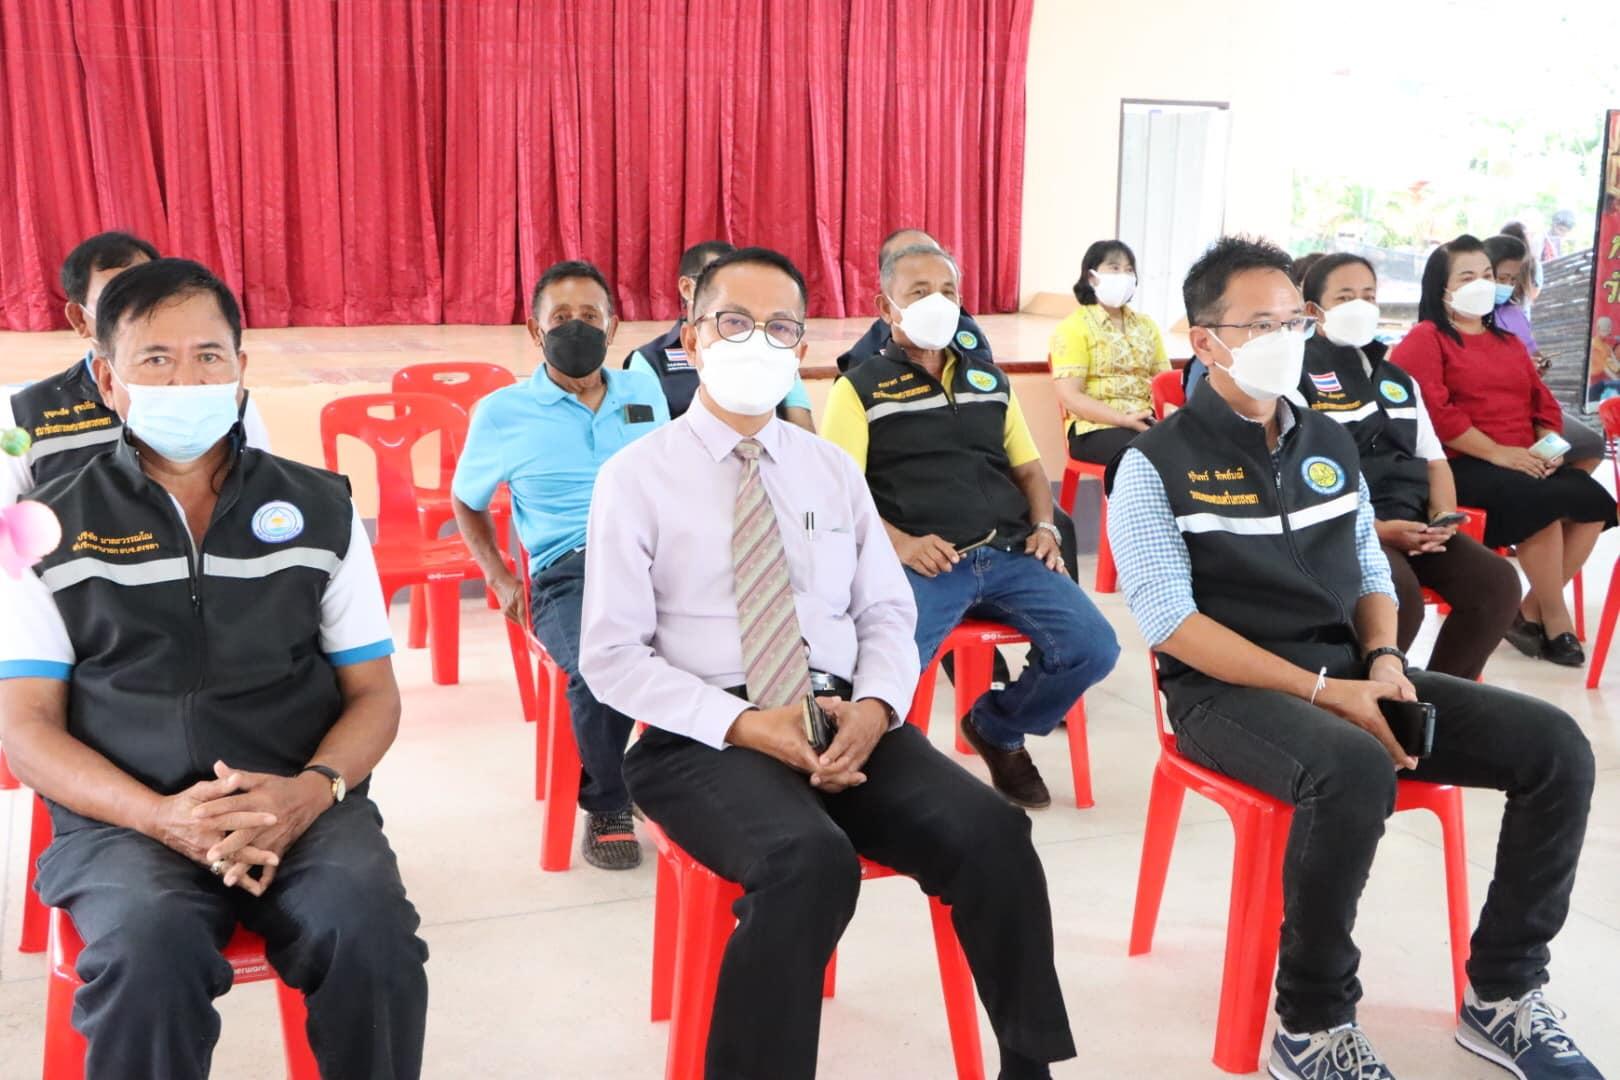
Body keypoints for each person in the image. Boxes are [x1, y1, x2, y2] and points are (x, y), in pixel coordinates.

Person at [1108, 236, 1601, 1080]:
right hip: (1222, 694)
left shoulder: (1327, 443)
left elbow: (1370, 569)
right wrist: (1321, 691)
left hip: (1346, 669)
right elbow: (1171, 624)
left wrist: (1381, 659)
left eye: (1291, 322)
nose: (1283, 339)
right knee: (1352, 768)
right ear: (1206, 342)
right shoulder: (1153, 465)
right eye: (1258, 325)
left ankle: (1505, 994)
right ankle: (1312, 1024)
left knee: (1556, 748)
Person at [579, 246, 1075, 1080]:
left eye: (779, 327)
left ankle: (1029, 1069)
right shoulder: (636, 478)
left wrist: (877, 709)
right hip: (702, 734)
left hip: (842, 716)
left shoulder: (830, 470)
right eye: (733, 323)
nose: (757, 341)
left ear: (801, 347)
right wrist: (746, 724)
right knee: (807, 862)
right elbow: (611, 657)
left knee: (994, 834)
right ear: (692, 340)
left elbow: (885, 611)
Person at [0, 259, 428, 1079]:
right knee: (146, 953)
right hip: (126, 820)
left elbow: (373, 693)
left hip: (301, 802)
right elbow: (25, 729)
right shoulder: (44, 526)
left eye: (208, 357)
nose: (186, 380)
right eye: (156, 360)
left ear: (240, 370)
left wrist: (312, 791)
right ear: (108, 380)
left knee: (371, 934)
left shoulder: (322, 508)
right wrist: (160, 817)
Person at [822, 243, 1120, 809]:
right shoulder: (859, 388)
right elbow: (840, 493)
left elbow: (1029, 470)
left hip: (1009, 554)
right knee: (887, 672)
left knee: (1093, 647)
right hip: (926, 563)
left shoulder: (989, 380)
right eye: (918, 293)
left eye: (947, 292)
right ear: (885, 307)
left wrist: (1045, 527)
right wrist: (900, 544)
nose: (937, 303)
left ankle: (998, 728)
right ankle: (878, 781)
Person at [453, 259, 668, 870]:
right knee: (601, 665)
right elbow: (467, 501)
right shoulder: (502, 412)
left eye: (590, 316)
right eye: (562, 317)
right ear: (535, 329)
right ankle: (608, 802)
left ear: (613, 325)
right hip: (567, 571)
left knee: (726, 641)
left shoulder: (643, 390)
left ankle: (679, 781)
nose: (577, 328)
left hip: (654, 560)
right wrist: (500, 577)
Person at [1392, 234, 1615, 667]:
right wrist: (1499, 453)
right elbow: (1436, 413)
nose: (1482, 283)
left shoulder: (1508, 341)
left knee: (1593, 501)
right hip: (1462, 464)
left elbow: (1542, 404)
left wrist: (1547, 448)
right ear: (1442, 287)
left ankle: (1529, 610)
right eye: (1467, 276)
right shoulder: (1427, 338)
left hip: (1520, 459)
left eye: (1487, 274)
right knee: (1538, 504)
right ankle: (1557, 620)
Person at [1298, 254, 1519, 680]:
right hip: (1344, 529)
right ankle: (1366, 698)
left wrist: (1442, 520)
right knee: (1399, 596)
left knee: (1497, 584)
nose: (1360, 306)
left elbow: (1434, 460)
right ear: (1313, 310)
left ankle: (1443, 695)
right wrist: (1380, 530)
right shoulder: (1297, 377)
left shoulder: (1398, 380)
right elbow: (1299, 478)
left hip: (1414, 523)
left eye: (1368, 296)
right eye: (1345, 297)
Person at [0, 232, 271, 505]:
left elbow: (260, 496)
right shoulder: (25, 416)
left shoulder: (226, 402)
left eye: (151, 297)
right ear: (79, 318)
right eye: (113, 302)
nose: (139, 313)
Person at [624, 240, 815, 431]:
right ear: (687, 288)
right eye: (713, 276)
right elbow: (646, 433)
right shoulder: (650, 359)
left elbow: (803, 430)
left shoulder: (775, 351)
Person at [1484, 234, 1604, 471]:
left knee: (1589, 446)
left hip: (1532, 403)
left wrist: (1538, 364)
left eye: (1513, 280)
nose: (1507, 286)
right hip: (1501, 409)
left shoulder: (1514, 313)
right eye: (1501, 278)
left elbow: (1532, 354)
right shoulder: (1473, 318)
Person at [1049, 239, 1170, 465]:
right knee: (1149, 454)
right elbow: (1070, 397)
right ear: (1092, 277)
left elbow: (1164, 382)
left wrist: (1172, 413)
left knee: (1195, 448)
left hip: (1146, 420)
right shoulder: (1074, 327)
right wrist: (1123, 419)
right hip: (1095, 427)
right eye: (1114, 268)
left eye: (1129, 270)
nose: (1123, 276)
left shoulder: (1146, 326)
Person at [834, 227, 991, 373]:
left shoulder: (968, 332)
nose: (925, 266)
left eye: (932, 255)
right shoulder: (863, 360)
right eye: (919, 292)